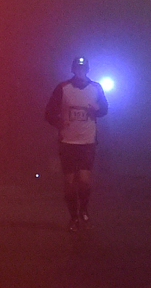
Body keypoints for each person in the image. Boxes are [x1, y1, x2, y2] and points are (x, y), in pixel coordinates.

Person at [44, 56, 109, 232]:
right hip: (68, 141)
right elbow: (49, 112)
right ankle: (73, 217)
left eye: (83, 68)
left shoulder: (96, 87)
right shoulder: (63, 88)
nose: (80, 71)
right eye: (77, 68)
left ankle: (84, 210)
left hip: (87, 141)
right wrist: (59, 122)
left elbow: (105, 109)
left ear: (87, 70)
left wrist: (98, 109)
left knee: (85, 180)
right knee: (69, 182)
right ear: (73, 69)